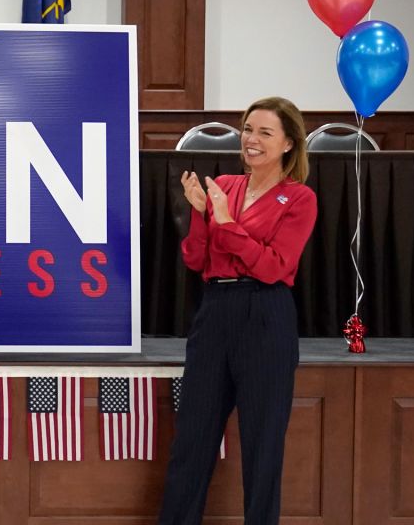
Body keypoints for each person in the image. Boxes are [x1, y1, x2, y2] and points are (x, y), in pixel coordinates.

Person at [158, 96, 318, 525]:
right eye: (248, 129)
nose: (251, 139)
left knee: (263, 448)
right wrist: (199, 213)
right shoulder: (223, 186)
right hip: (215, 313)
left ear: (288, 144)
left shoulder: (299, 198)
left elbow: (274, 267)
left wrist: (226, 223)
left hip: (265, 316)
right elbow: (195, 258)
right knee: (191, 443)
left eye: (265, 132)